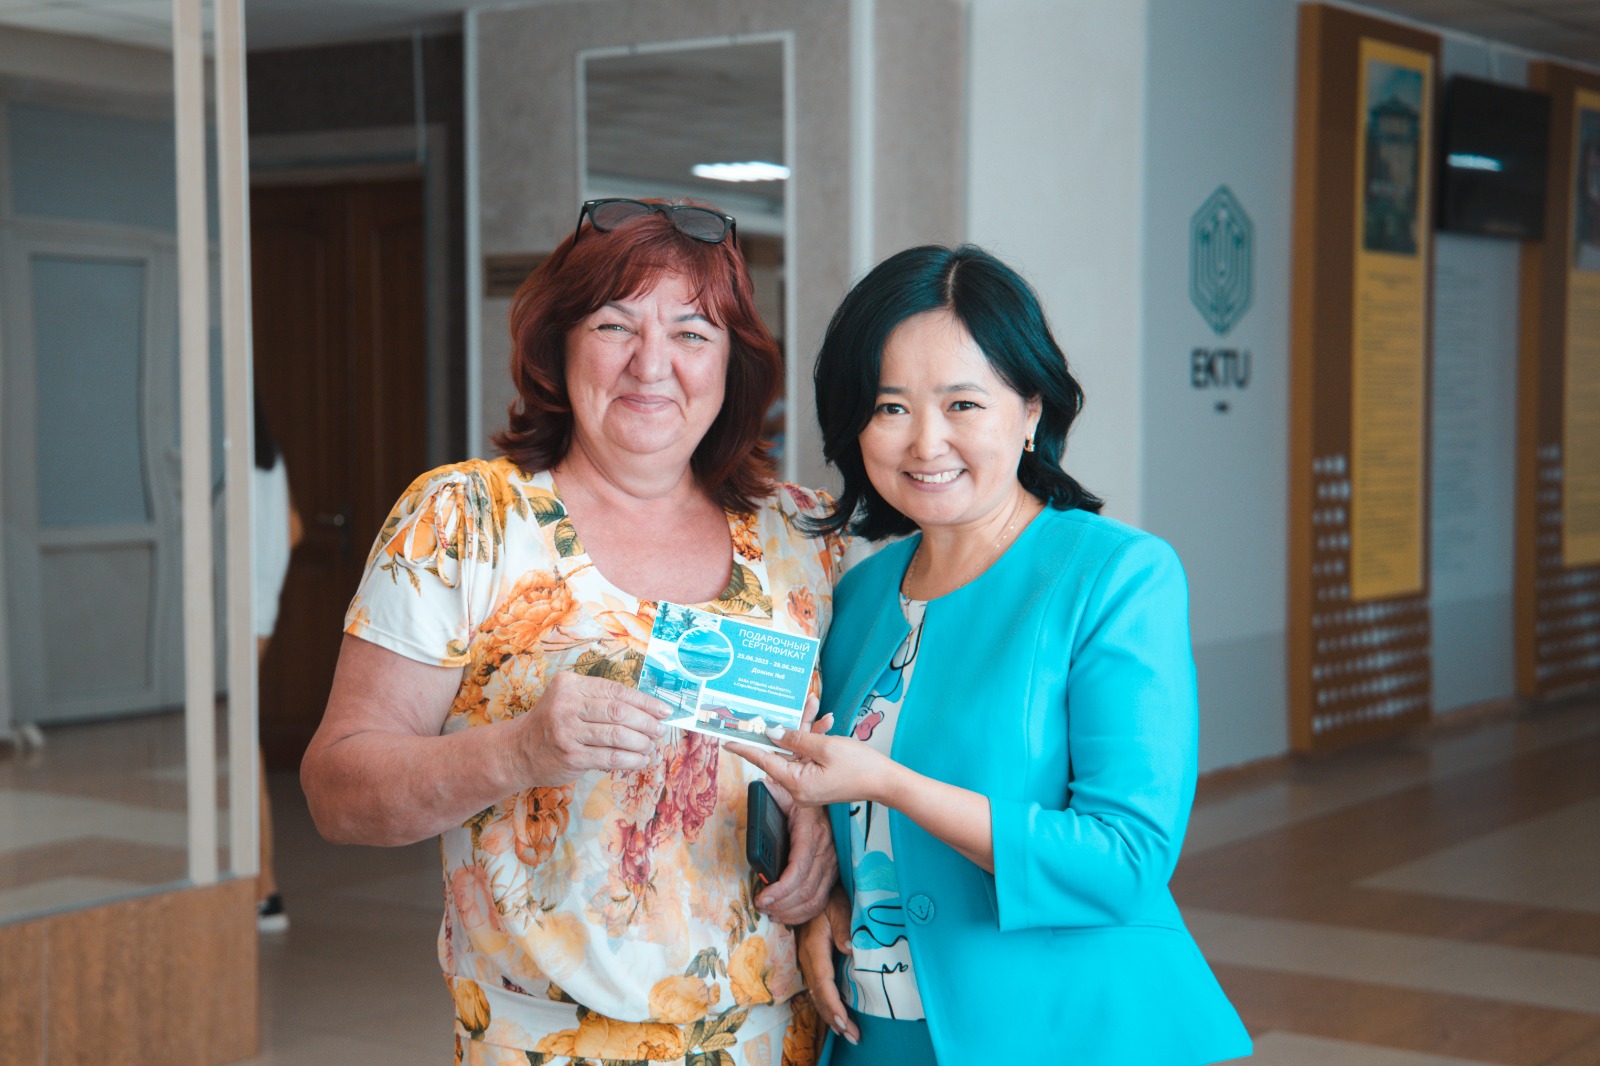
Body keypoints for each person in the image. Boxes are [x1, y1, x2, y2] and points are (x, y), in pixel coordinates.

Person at [300, 198, 846, 1066]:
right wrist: (517, 751)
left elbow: (872, 748)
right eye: (613, 325)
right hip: (542, 1046)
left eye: (692, 333)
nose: (651, 364)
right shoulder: (467, 519)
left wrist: (829, 830)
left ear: (733, 364)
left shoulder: (805, 536)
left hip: (775, 1040)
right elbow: (337, 791)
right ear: (559, 345)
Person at [731, 245, 1253, 1064]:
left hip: (1065, 1034)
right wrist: (827, 903)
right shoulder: (858, 597)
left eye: (963, 403)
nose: (926, 442)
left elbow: (1124, 861)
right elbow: (854, 831)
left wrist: (891, 783)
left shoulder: (1117, 576)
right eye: (890, 406)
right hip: (878, 1037)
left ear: (1031, 409)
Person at [252, 395, 302, 932]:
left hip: (227, 617)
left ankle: (262, 886)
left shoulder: (222, 460)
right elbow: (293, 528)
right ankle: (260, 886)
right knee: (241, 742)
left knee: (238, 746)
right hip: (259, 611)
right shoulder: (269, 461)